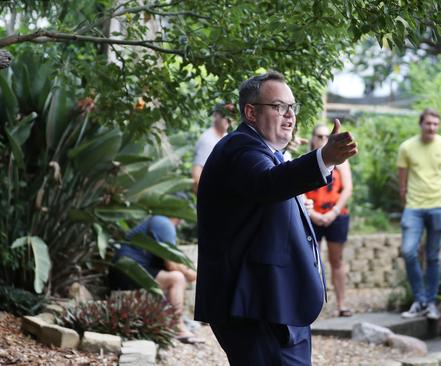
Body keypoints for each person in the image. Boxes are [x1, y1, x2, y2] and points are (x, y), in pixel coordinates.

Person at [194, 71, 357, 365]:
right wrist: (325, 158)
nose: (290, 115)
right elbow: (268, 184)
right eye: (279, 106)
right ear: (251, 112)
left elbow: (264, 199)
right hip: (254, 306)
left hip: (273, 304)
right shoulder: (240, 148)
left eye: (293, 107)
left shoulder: (266, 151)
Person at [396, 108, 441, 319]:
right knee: (409, 251)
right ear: (420, 124)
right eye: (428, 123)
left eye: (435, 124)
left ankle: (430, 303)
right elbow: (402, 181)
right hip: (413, 207)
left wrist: (439, 194)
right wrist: (407, 200)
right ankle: (420, 299)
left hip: (438, 205)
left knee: (433, 256)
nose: (431, 127)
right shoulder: (407, 147)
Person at [110, 215, 203, 344]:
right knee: (177, 278)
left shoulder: (157, 221)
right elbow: (171, 264)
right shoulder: (163, 223)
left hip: (127, 270)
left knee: (177, 277)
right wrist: (195, 274)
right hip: (128, 271)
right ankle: (178, 328)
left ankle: (176, 323)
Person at [305, 124, 354, 317]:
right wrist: (313, 215)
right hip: (311, 215)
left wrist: (332, 213)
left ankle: (342, 304)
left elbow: (347, 188)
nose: (324, 139)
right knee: (310, 261)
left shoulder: (342, 160)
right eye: (320, 135)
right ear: (313, 138)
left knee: (337, 260)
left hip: (337, 215)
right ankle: (309, 307)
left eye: (327, 136)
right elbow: (298, 190)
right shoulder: (306, 159)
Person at [191, 103, 234, 193]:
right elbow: (197, 174)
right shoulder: (208, 139)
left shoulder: (227, 137)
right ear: (215, 115)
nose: (228, 119)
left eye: (231, 115)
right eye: (224, 115)